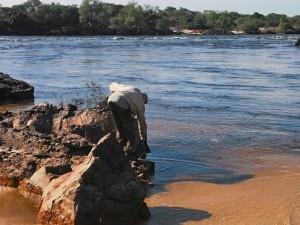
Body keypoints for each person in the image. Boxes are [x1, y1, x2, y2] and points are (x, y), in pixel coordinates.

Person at [107, 82, 150, 159]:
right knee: (129, 130)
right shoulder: (140, 102)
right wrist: (144, 139)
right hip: (123, 102)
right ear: (144, 99)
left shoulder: (132, 89)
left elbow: (112, 86)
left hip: (111, 99)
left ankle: (119, 149)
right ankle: (129, 153)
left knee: (119, 127)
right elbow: (141, 122)